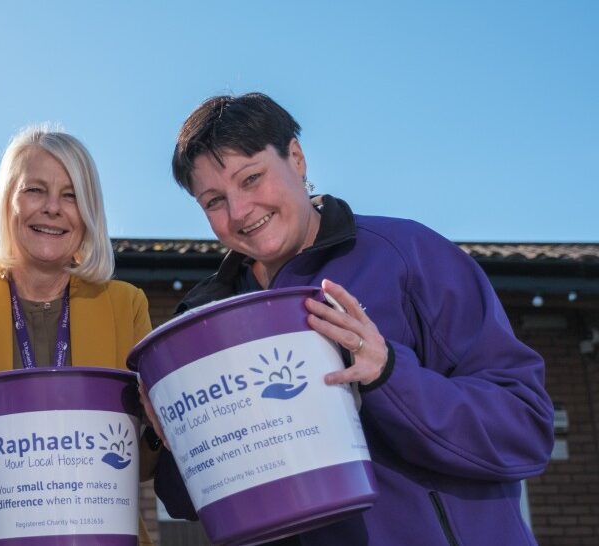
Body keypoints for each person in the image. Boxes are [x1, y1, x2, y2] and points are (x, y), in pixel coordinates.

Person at [148, 92, 554, 545]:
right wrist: (182, 441)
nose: (239, 211)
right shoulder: (203, 320)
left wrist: (389, 374)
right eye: (213, 201)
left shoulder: (405, 255)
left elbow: (526, 428)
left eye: (252, 178)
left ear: (296, 158)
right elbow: (185, 503)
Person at [0, 127, 161, 546]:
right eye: (35, 190)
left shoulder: (126, 305)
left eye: (71, 195)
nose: (52, 208)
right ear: (7, 202)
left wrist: (154, 425)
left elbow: (143, 466)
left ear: (89, 211)